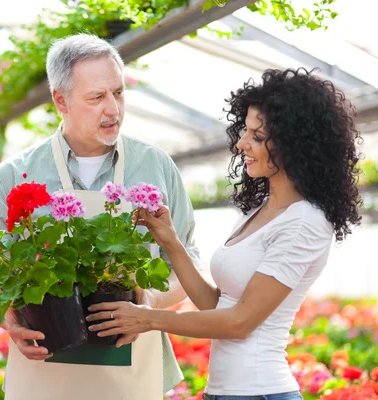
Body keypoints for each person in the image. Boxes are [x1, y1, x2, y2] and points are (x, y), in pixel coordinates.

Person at [87, 68, 363, 400]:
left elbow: (239, 323)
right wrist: (171, 243)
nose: (242, 143)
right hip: (222, 393)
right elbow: (216, 305)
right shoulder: (259, 211)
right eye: (245, 131)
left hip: (261, 393)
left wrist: (148, 319)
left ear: (295, 145)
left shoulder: (304, 222)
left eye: (257, 136)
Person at [0, 33, 201, 400]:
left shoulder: (155, 167)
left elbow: (189, 263)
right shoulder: (13, 175)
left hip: (132, 375)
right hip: (43, 376)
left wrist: (150, 303)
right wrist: (7, 318)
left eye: (119, 93)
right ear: (60, 100)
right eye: (97, 97)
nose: (114, 109)